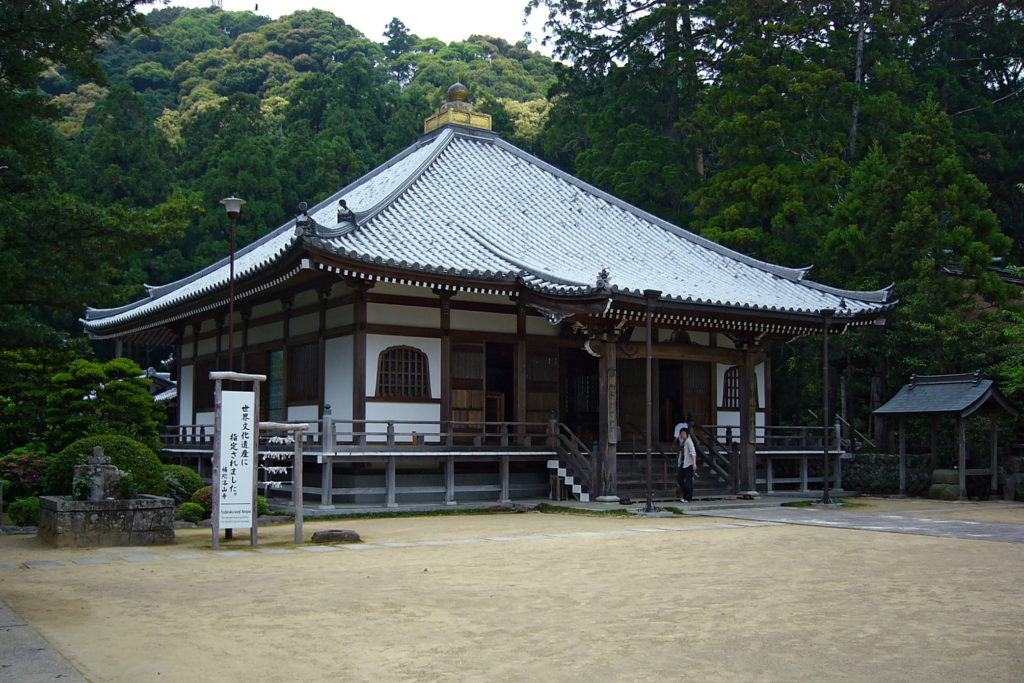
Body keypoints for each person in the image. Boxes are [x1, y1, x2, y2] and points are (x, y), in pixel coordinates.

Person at [675, 423, 696, 503]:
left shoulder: (689, 442)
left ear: (687, 434)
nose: (682, 435)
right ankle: (685, 494)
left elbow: (693, 453)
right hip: (683, 463)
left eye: (683, 433)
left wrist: (694, 463)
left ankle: (688, 497)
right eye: (681, 434)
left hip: (689, 464)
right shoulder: (683, 442)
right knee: (679, 479)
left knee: (688, 481)